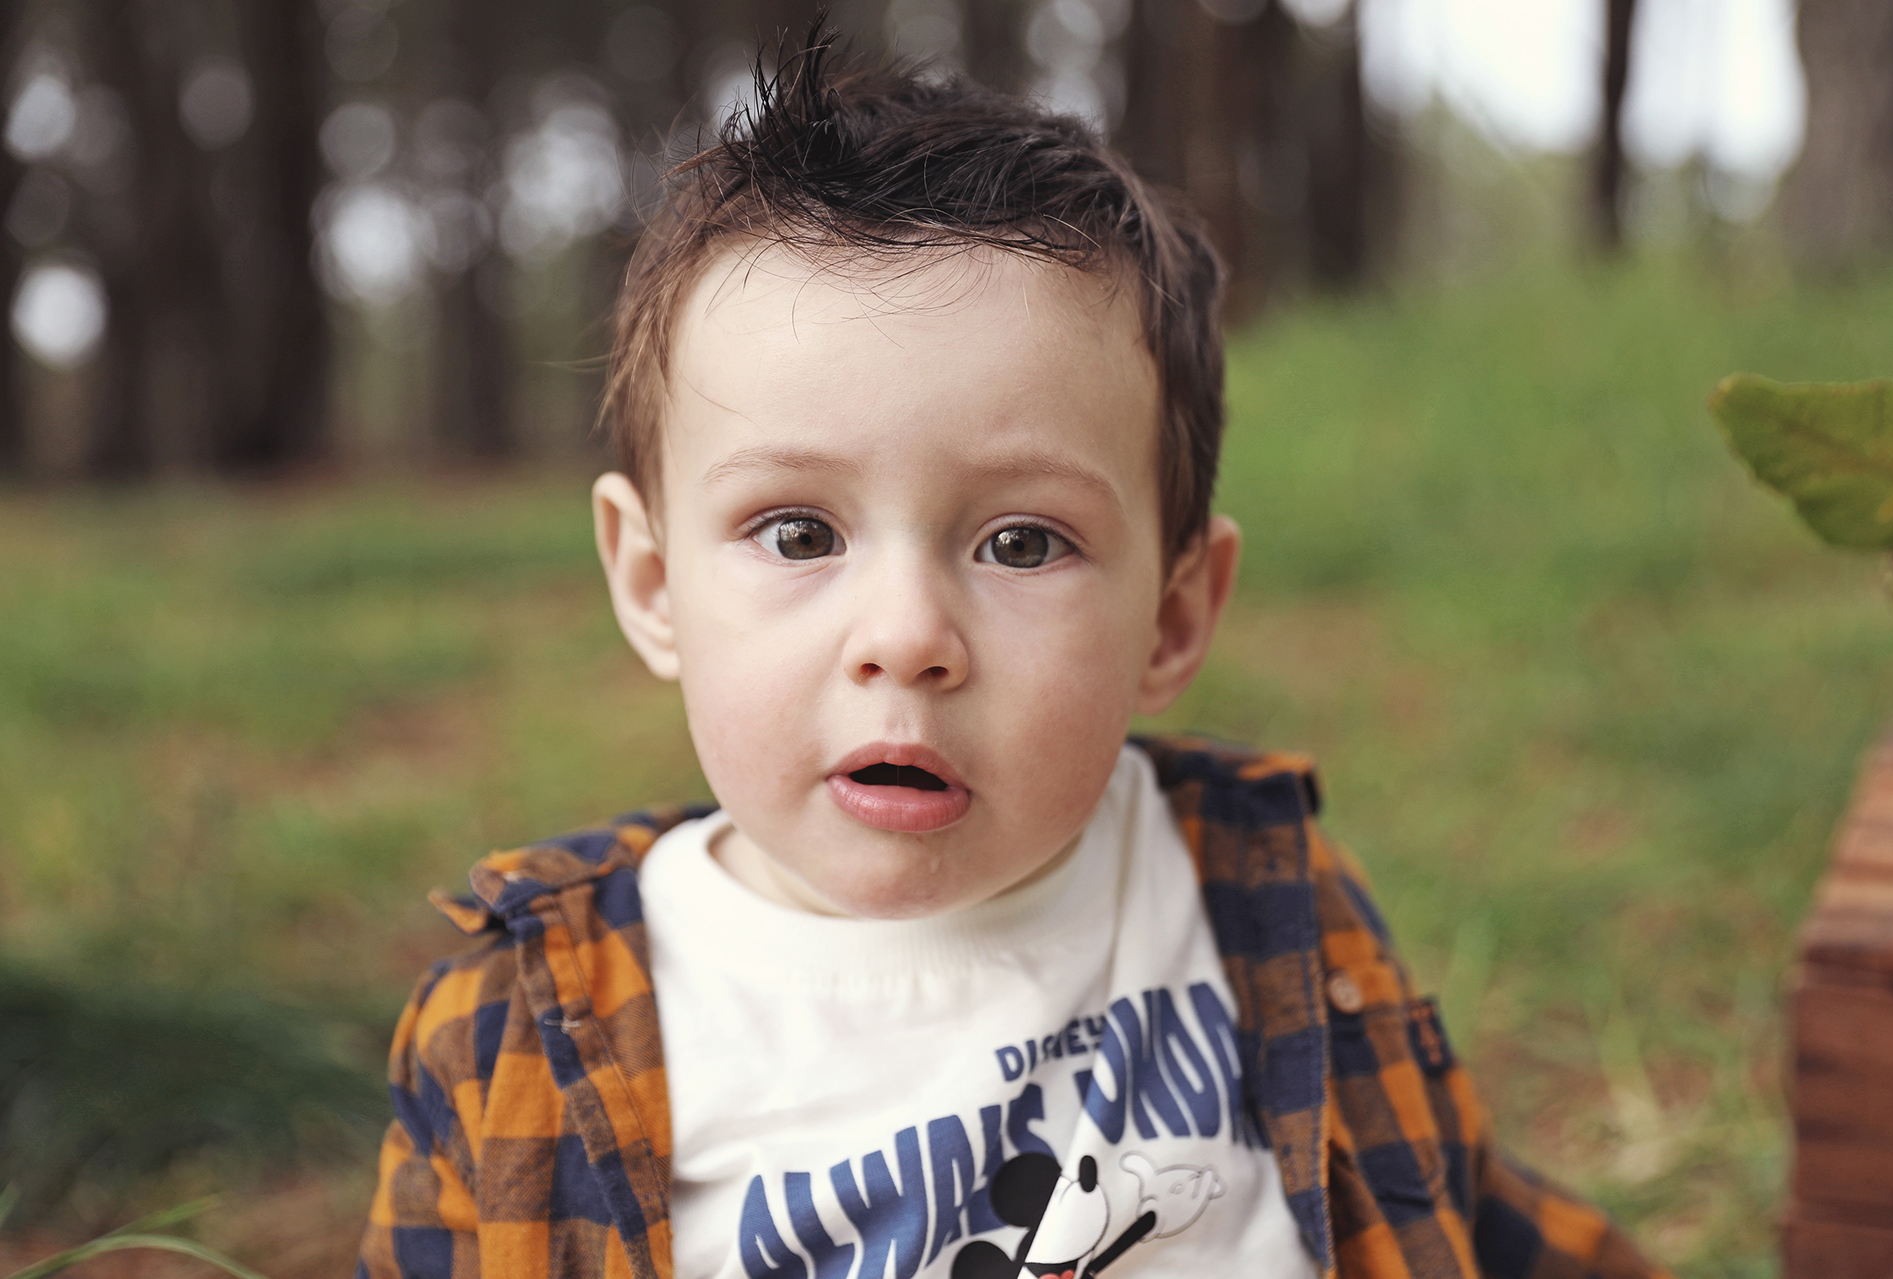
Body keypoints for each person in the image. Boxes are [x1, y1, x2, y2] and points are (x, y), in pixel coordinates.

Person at [358, 30, 1668, 1279]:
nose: (907, 638)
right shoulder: (523, 1035)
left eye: (1023, 543)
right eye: (800, 533)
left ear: (1172, 620)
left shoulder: (1250, 893)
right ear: (653, 585)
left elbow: (1460, 1208)